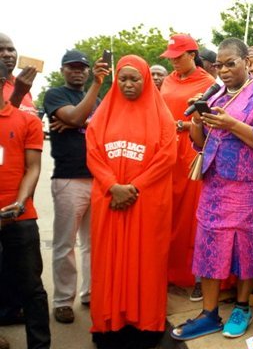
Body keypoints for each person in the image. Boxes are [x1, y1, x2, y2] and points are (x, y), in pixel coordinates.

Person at [171, 37, 253, 341]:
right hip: (216, 185)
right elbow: (200, 141)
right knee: (210, 246)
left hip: (251, 188)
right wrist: (198, 119)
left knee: (246, 248)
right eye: (219, 65)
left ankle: (242, 307)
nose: (223, 70)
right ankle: (208, 314)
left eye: (230, 63)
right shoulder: (217, 94)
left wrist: (231, 124)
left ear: (247, 62)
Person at [85, 55, 177, 349]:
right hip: (110, 200)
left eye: (134, 79)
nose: (127, 84)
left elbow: (167, 156)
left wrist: (133, 187)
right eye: (122, 79)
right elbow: (93, 152)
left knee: (145, 261)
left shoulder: (160, 114)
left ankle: (145, 324)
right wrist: (113, 186)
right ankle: (108, 323)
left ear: (145, 80)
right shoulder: (104, 112)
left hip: (146, 202)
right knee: (108, 261)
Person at [42, 50, 105, 325]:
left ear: (88, 70)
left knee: (93, 244)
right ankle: (63, 301)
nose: (77, 71)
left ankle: (90, 293)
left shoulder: (97, 100)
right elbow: (78, 118)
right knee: (65, 244)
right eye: (72, 67)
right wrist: (82, 119)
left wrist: (82, 121)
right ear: (63, 70)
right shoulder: (56, 95)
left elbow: (97, 125)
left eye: (82, 67)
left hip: (97, 178)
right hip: (69, 178)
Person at [159, 34, 215, 295]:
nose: (173, 63)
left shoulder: (209, 83)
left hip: (191, 151)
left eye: (177, 57)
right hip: (166, 152)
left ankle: (197, 278)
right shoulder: (168, 81)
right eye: (170, 58)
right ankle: (168, 271)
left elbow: (211, 121)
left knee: (192, 214)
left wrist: (182, 125)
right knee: (166, 211)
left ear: (192, 55)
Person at [0, 60, 50, 349]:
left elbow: (33, 167)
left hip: (20, 217)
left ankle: (40, 345)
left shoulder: (26, 121)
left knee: (32, 288)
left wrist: (18, 205)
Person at [0, 33, 39, 116]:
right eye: (0, 50)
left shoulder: (22, 85)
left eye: (11, 49)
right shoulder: (21, 88)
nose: (7, 54)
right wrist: (18, 93)